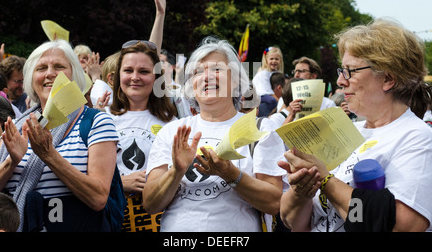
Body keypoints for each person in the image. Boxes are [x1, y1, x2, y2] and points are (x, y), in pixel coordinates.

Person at [279, 19, 432, 232]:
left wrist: (326, 181)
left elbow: (402, 225)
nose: (340, 80)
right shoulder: (345, 131)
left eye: (350, 71)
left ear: (388, 79)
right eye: (342, 70)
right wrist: (301, 190)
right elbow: (292, 222)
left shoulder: (418, 137)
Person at [143, 37, 285, 232]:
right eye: (198, 72)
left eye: (216, 69)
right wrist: (176, 171)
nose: (207, 77)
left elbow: (274, 202)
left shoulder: (260, 129)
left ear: (236, 81)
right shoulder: (173, 131)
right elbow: (150, 204)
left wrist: (230, 174)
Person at [0, 40, 120, 232]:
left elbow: (98, 198)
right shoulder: (16, 127)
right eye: (41, 68)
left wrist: (48, 155)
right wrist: (10, 162)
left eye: (59, 66)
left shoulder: (96, 122)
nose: (49, 73)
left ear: (75, 75)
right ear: (31, 78)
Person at [106, 41, 176, 232]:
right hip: (111, 218)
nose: (135, 77)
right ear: (117, 76)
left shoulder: (172, 123)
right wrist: (121, 183)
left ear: (156, 78)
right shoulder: (100, 118)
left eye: (144, 72)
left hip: (157, 221)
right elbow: (85, 175)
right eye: (128, 70)